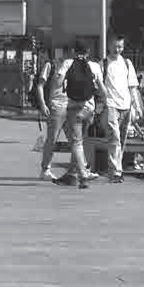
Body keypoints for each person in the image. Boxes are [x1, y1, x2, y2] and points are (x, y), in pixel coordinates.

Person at [55, 41, 106, 189]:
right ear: (88, 52)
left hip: (74, 109)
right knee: (79, 142)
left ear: (73, 51)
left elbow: (58, 83)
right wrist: (102, 104)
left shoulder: (68, 63)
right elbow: (102, 91)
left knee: (76, 143)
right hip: (89, 110)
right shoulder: (95, 66)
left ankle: (83, 174)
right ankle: (72, 174)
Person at [101, 36, 141, 183]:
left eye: (120, 47)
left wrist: (136, 106)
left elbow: (133, 87)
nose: (117, 49)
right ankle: (115, 171)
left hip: (126, 106)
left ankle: (118, 169)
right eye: (115, 46)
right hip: (111, 105)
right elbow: (98, 85)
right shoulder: (103, 64)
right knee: (114, 138)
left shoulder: (127, 63)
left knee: (122, 141)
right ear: (109, 46)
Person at [34, 48, 69, 181]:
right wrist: (43, 104)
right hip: (55, 106)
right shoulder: (50, 65)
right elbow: (40, 85)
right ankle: (45, 169)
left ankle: (78, 169)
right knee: (52, 139)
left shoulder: (70, 66)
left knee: (75, 139)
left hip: (70, 106)